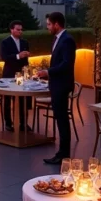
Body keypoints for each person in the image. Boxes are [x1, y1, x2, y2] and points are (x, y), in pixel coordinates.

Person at [39, 12, 77, 165]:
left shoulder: (67, 40)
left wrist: (48, 72)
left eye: (49, 24)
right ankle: (62, 154)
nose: (47, 27)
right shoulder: (58, 39)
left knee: (62, 121)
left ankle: (64, 155)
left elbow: (66, 64)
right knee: (60, 120)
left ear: (56, 24)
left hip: (61, 85)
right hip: (57, 84)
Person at [0, 20, 31, 132]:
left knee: (23, 98)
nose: (20, 31)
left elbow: (26, 60)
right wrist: (18, 56)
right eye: (18, 29)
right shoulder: (5, 42)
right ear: (11, 30)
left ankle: (23, 123)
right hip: (9, 74)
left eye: (21, 29)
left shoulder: (25, 42)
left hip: (21, 74)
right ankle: (8, 123)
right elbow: (4, 58)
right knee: (8, 99)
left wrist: (27, 71)